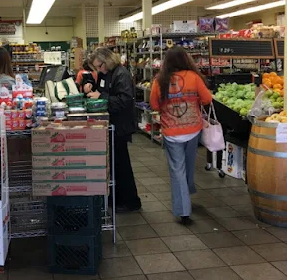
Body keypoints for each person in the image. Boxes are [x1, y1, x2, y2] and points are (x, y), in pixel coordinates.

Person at [150, 46, 212, 225]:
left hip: (171, 132)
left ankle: (184, 210)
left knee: (177, 169)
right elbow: (207, 99)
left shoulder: (159, 80)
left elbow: (154, 105)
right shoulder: (194, 77)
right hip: (193, 129)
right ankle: (188, 189)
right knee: (189, 163)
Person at [87, 48, 141, 213]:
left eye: (100, 66)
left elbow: (124, 100)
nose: (99, 70)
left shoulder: (121, 74)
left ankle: (131, 201)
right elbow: (103, 89)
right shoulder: (107, 73)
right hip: (111, 124)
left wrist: (101, 97)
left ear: (107, 60)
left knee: (122, 163)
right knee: (115, 163)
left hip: (121, 125)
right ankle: (116, 197)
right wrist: (90, 85)